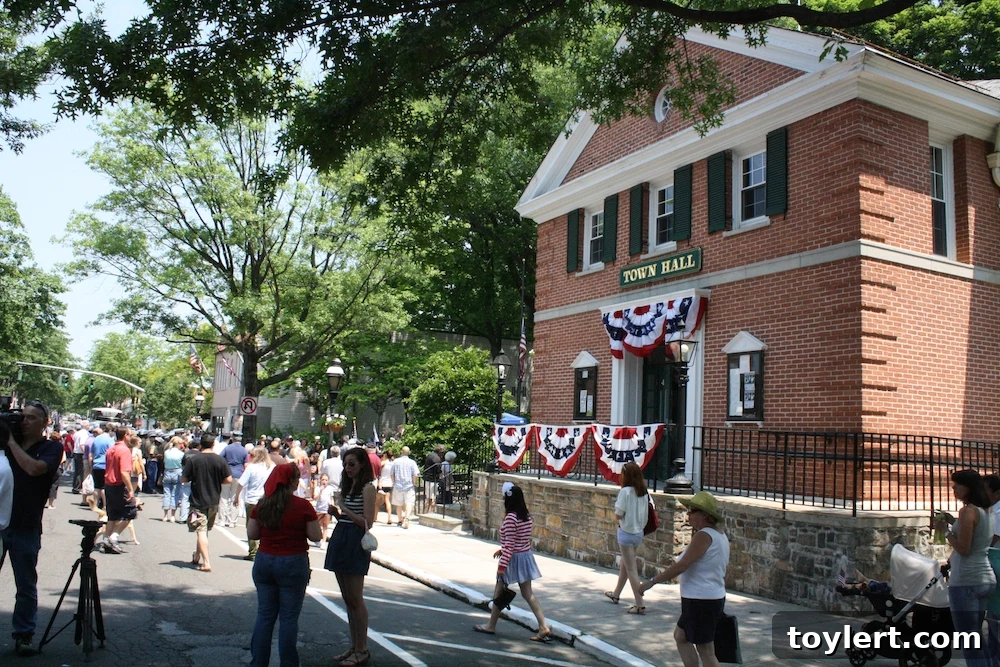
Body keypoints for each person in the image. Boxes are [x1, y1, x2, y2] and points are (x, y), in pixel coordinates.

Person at [640, 491, 730, 667]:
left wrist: (652, 581)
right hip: (705, 597)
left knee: (706, 651)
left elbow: (682, 565)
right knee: (680, 636)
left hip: (701, 600)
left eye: (692, 511)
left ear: (704, 515)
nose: (688, 515)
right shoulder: (719, 536)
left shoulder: (704, 536)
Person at [2, 401, 63, 655]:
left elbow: (34, 468)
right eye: (22, 417)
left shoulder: (51, 447)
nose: (24, 422)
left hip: (26, 525)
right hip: (1, 522)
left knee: (25, 585)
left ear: (45, 422)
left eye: (31, 418)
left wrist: (11, 442)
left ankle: (24, 634)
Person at [247, 463, 321, 667]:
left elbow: (253, 534)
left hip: (265, 560)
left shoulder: (261, 505)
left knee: (265, 615)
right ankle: (288, 663)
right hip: (293, 561)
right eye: (297, 479)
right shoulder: (303, 506)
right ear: (291, 482)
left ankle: (258, 662)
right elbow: (316, 535)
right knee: (288, 619)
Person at [473, 482, 551, 641]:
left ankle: (491, 625)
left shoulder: (510, 518)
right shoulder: (526, 517)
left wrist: (502, 566)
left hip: (512, 559)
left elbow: (509, 545)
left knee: (498, 591)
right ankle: (543, 626)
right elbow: (521, 539)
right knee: (528, 593)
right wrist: (504, 549)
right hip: (525, 556)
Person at [934, 469, 996, 667]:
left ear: (969, 487)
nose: (953, 488)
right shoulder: (985, 510)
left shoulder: (967, 511)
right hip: (984, 577)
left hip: (967, 580)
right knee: (976, 637)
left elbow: (964, 548)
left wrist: (945, 531)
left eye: (958, 484)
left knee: (968, 640)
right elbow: (976, 534)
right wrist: (953, 522)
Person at [324, 447, 377, 667]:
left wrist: (344, 507)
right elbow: (347, 517)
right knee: (347, 598)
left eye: (352, 464)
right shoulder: (349, 485)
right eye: (346, 464)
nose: (348, 468)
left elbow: (367, 522)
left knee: (356, 599)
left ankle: (362, 649)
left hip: (355, 540)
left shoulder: (368, 487)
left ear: (362, 464)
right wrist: (337, 513)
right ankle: (354, 646)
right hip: (342, 536)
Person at [603, 461, 649, 613]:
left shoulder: (626, 492)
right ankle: (616, 594)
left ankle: (640, 603)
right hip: (638, 532)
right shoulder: (643, 491)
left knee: (631, 569)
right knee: (625, 563)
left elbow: (618, 514)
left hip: (626, 532)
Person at [182, 433, 232, 572]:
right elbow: (228, 480)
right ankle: (197, 555)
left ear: (200, 445)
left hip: (198, 501)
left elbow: (184, 479)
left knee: (201, 531)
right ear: (213, 444)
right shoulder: (220, 460)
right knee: (203, 530)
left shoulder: (193, 459)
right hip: (214, 500)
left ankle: (207, 562)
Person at [98, 426, 135, 555]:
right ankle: (113, 537)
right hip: (119, 485)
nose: (131, 437)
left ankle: (106, 540)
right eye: (130, 435)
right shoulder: (124, 450)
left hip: (109, 484)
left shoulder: (111, 449)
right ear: (125, 436)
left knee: (112, 515)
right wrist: (130, 489)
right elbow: (124, 472)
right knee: (131, 512)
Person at [236, 446, 275, 561]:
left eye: (252, 455)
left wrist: (236, 497)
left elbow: (241, 483)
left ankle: (253, 552)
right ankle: (265, 550)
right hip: (267, 499)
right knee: (265, 526)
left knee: (251, 526)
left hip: (252, 500)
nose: (250, 457)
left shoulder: (251, 467)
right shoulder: (272, 467)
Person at [220, 433, 248, 528]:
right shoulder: (244, 450)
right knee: (236, 497)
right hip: (238, 474)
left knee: (224, 496)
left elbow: (220, 459)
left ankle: (222, 520)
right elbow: (246, 465)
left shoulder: (227, 448)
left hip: (227, 474)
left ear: (233, 438)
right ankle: (232, 521)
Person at [390, 446, 419, 529]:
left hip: (398, 485)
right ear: (408, 452)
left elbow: (392, 474)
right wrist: (414, 483)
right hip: (409, 485)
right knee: (409, 502)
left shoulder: (395, 462)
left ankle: (400, 520)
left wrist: (394, 482)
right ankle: (407, 518)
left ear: (401, 452)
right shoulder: (412, 462)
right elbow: (415, 474)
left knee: (398, 504)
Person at [161, 437, 185, 522]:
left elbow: (164, 462)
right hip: (177, 471)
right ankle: (172, 516)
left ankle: (165, 515)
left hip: (167, 471)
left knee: (166, 493)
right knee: (175, 494)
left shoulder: (167, 452)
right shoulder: (181, 454)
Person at [314, 473, 334, 542]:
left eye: (326, 480)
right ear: (320, 480)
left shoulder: (330, 489)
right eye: (323, 480)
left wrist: (332, 507)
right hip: (319, 509)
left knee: (325, 526)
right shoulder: (317, 488)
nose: (324, 481)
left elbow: (331, 498)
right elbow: (315, 498)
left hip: (326, 510)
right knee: (319, 526)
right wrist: (320, 491)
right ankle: (319, 539)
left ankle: (324, 541)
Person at [423, 445, 444, 513]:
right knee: (432, 498)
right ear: (440, 452)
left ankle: (426, 512)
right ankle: (430, 513)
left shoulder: (430, 455)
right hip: (432, 480)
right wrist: (441, 476)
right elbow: (438, 469)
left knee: (429, 498)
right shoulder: (436, 458)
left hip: (428, 479)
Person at [377, 450, 394, 524]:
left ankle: (375, 517)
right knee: (387, 501)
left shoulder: (383, 463)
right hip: (390, 484)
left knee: (377, 502)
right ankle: (389, 517)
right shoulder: (393, 464)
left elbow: (378, 472)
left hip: (382, 483)